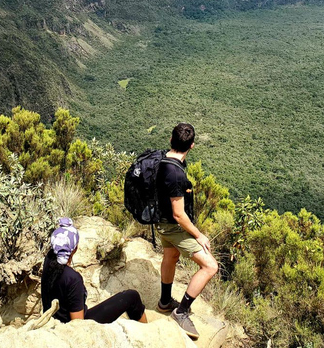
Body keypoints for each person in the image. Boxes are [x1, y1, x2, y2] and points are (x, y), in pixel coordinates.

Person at [156, 123, 219, 340]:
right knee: (210, 266)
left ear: (171, 141)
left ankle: (164, 302)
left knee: (171, 256)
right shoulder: (176, 175)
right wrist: (199, 235)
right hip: (173, 227)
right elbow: (179, 214)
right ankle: (180, 311)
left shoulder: (163, 159)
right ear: (191, 145)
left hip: (161, 223)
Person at [41, 217, 148, 324]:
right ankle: (146, 332)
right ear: (75, 249)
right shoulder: (73, 279)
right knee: (131, 297)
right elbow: (78, 324)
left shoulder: (48, 260)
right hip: (72, 328)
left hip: (53, 320)